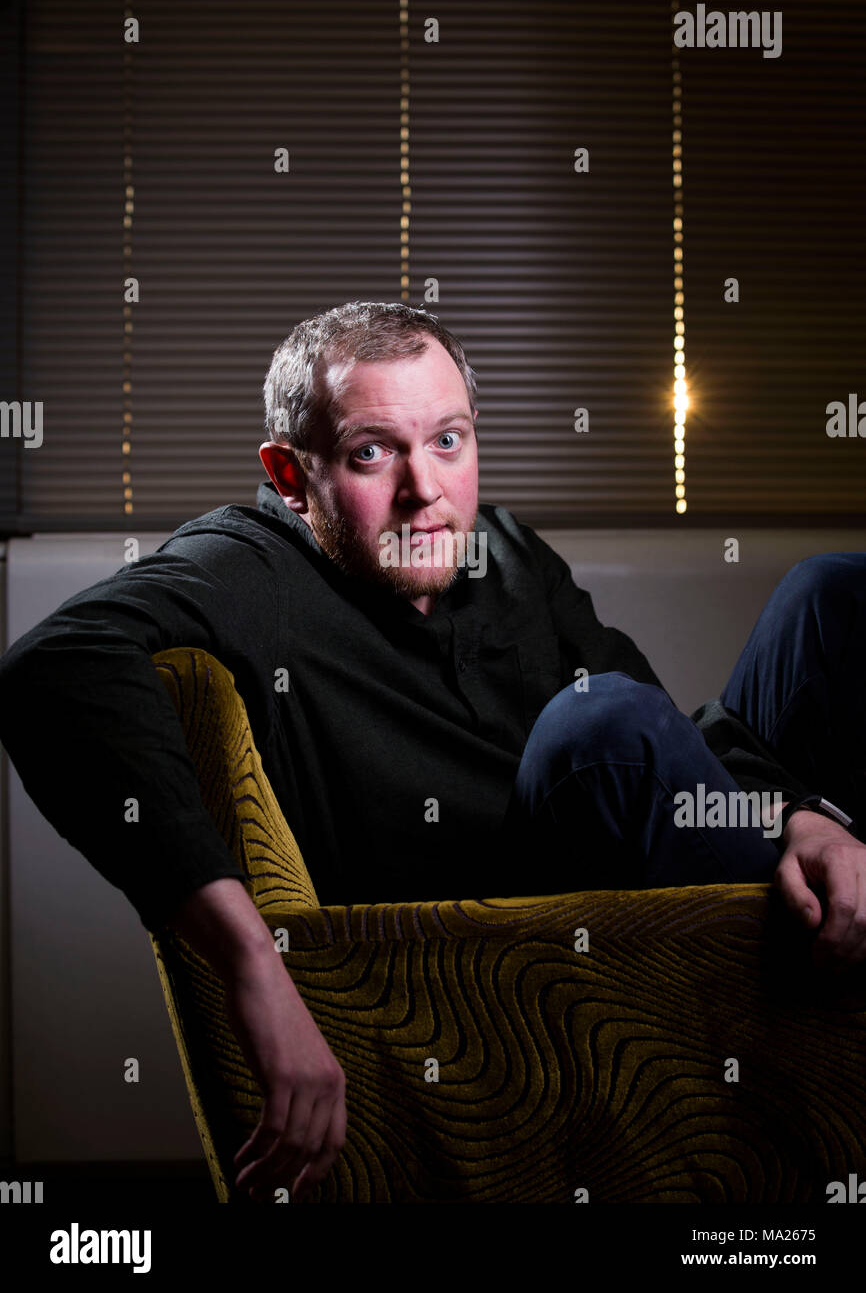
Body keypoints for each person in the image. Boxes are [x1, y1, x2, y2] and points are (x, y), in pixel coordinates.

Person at [0, 300, 864, 1205]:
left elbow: (672, 735)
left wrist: (806, 817)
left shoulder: (507, 554)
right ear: (293, 476)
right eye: (373, 452)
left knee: (829, 599)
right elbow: (54, 666)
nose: (426, 490)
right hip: (517, 970)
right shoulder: (250, 571)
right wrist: (249, 959)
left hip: (647, 871)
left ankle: (843, 874)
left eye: (447, 441)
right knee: (599, 729)